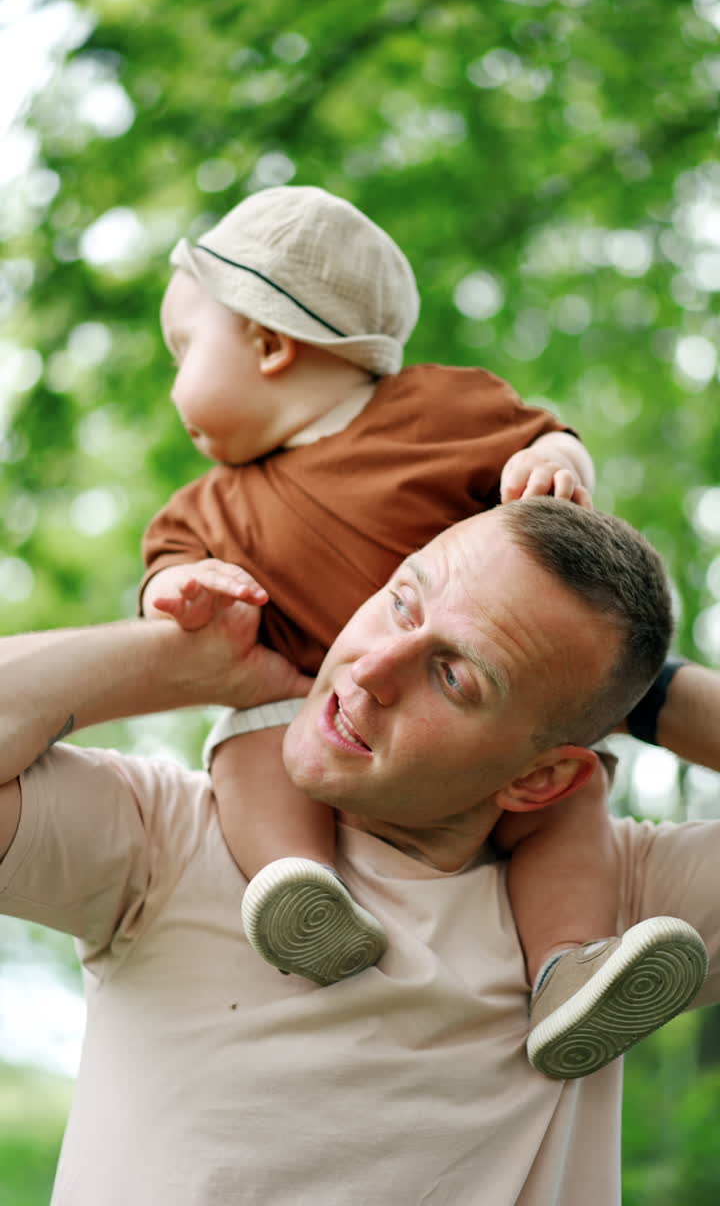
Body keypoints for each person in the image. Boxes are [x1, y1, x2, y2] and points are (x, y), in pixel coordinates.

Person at [0, 499, 715, 1206]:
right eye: (402, 604)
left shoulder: (615, 923)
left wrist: (646, 695)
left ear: (540, 778)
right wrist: (177, 662)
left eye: (454, 675)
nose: (372, 668)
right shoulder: (169, 838)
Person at [138, 184, 645, 1078]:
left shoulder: (442, 411)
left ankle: (571, 970)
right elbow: (161, 577)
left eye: (183, 347)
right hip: (310, 714)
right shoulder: (208, 507)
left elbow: (551, 434)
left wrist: (551, 463)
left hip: (478, 729)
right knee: (249, 748)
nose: (173, 378)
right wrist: (181, 592)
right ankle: (302, 892)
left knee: (568, 802)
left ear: (266, 342)